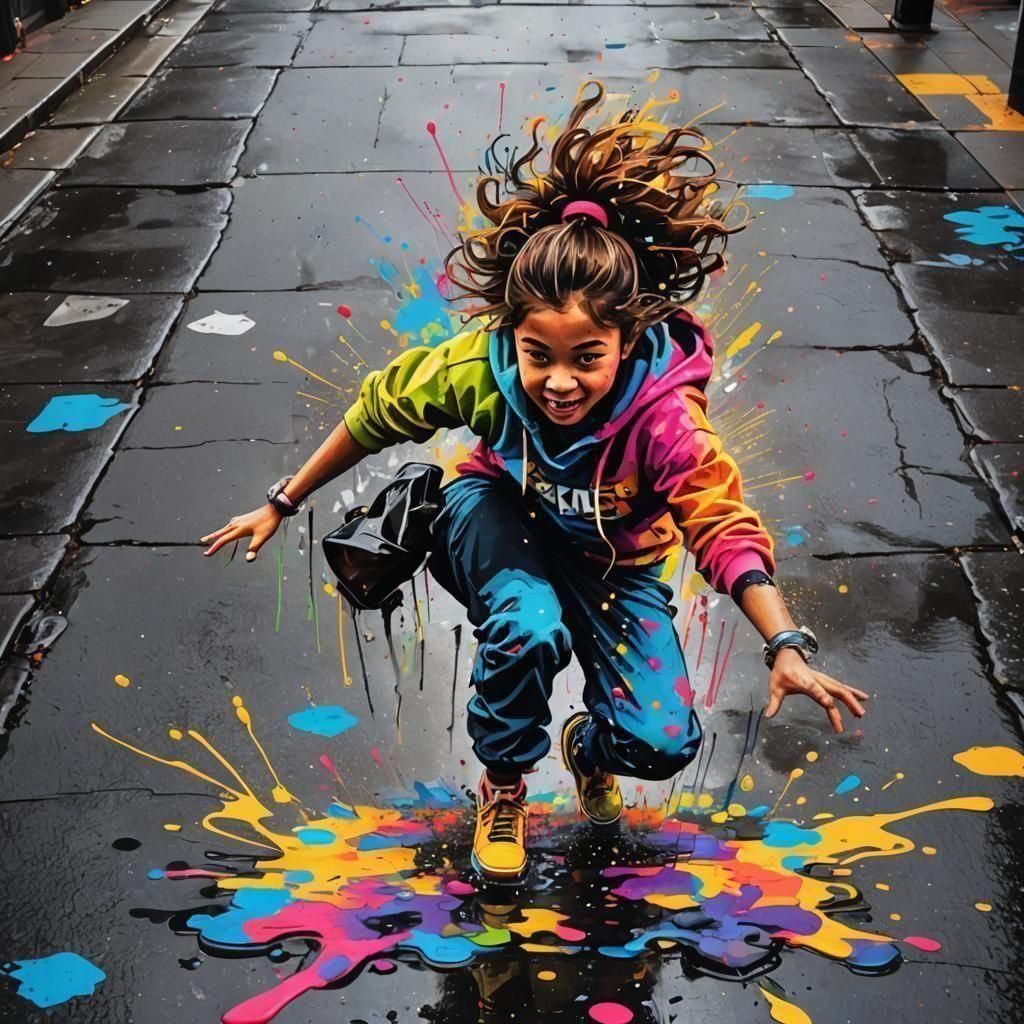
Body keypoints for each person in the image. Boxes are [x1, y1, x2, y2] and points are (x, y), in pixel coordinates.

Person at [201, 81, 868, 882]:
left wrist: (783, 642)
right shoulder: (476, 371)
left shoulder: (666, 422)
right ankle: (505, 787)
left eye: (586, 357)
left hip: (615, 560)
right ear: (511, 335)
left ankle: (586, 746)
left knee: (659, 743)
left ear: (627, 339)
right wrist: (281, 501)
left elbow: (722, 525)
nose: (557, 382)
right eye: (536, 354)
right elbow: (374, 414)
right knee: (529, 624)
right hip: (495, 517)